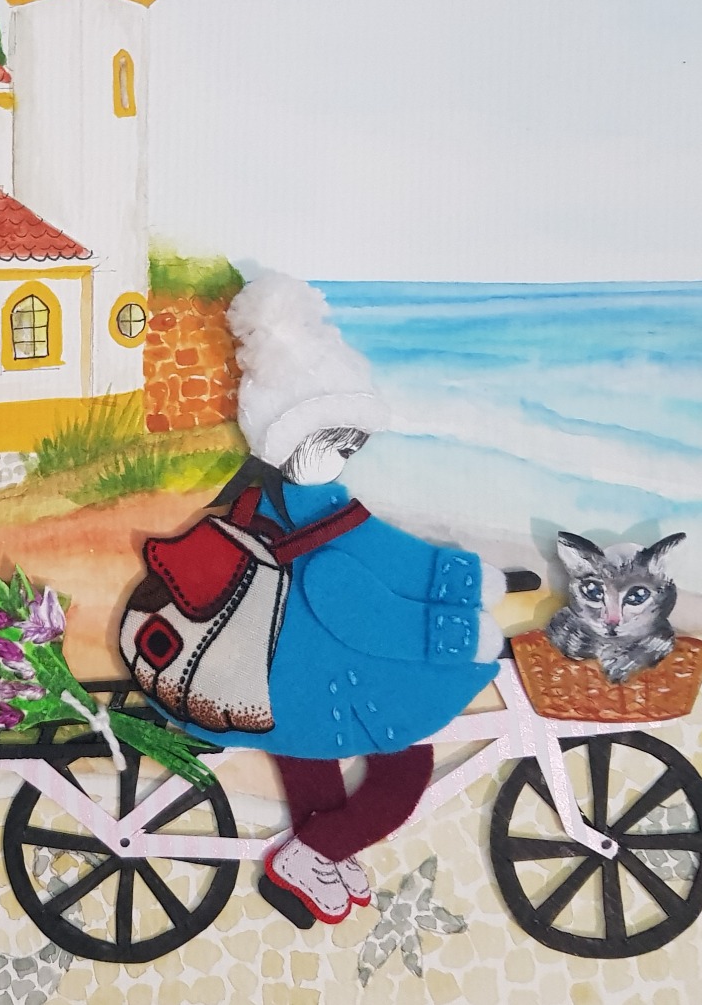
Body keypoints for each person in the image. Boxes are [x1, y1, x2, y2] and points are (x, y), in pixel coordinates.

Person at [156, 274, 506, 925]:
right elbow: (380, 575)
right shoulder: (322, 514)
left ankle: (316, 853)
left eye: (352, 443)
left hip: (264, 679)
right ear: (292, 436)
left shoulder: (254, 503)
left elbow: (380, 564)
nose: (347, 454)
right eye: (338, 440)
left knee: (308, 759)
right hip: (311, 672)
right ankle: (313, 852)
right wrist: (466, 604)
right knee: (405, 770)